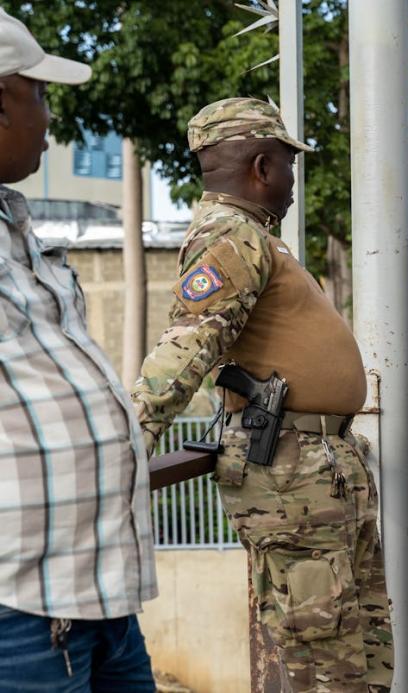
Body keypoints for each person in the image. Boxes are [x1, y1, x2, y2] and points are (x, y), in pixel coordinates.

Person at [131, 98, 392, 692]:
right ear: (262, 166)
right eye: (288, 164)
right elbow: (185, 352)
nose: (293, 180)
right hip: (289, 474)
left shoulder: (253, 237)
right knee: (323, 656)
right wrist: (126, 446)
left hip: (317, 466)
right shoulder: (228, 237)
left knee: (359, 646)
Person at [0, 8, 158, 690]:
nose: (49, 117)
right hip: (20, 605)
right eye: (40, 94)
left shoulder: (18, 228)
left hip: (94, 590)